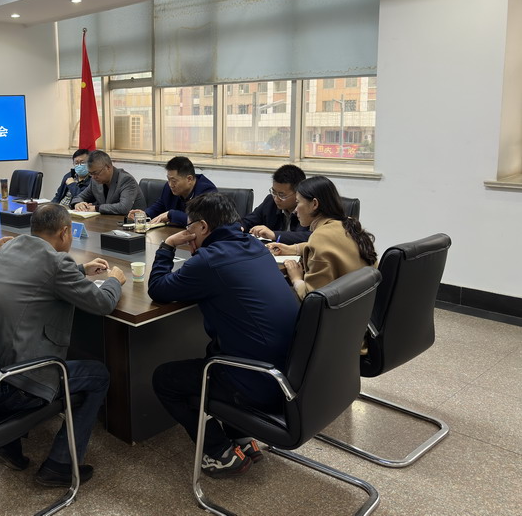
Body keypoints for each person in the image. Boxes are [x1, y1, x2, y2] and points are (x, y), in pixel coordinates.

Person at [0, 204, 126, 487]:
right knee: (98, 375)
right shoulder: (56, 264)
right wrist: (114, 281)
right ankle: (60, 465)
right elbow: (103, 303)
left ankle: (7, 444)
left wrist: (80, 270)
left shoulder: (11, 247)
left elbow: (39, 275)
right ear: (65, 232)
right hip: (15, 386)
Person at [148, 192, 299, 478]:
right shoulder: (255, 246)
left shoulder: (209, 261)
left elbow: (158, 289)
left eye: (190, 228)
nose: (188, 234)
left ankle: (219, 452)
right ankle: (242, 437)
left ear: (203, 227)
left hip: (257, 383)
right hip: (288, 374)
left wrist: (167, 246)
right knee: (217, 351)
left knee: (165, 379)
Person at [268, 175, 376, 301]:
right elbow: (330, 245)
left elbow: (311, 296)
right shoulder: (347, 224)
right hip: (359, 304)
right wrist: (292, 249)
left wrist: (296, 278)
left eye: (298, 202)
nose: (295, 210)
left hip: (334, 308)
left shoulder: (320, 237)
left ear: (314, 204)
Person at [128, 156, 217, 226]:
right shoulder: (169, 187)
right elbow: (160, 205)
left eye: (174, 181)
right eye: (168, 179)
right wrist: (145, 214)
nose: (170, 184)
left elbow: (200, 220)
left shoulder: (207, 192)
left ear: (189, 179)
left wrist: (171, 214)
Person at [243, 164, 311, 244]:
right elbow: (248, 221)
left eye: (282, 195)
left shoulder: (308, 208)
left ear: (298, 193)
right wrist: (240, 227)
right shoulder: (270, 201)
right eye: (274, 192)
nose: (276, 198)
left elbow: (310, 236)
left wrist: (274, 235)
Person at [70, 150, 145, 216]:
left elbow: (124, 207)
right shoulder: (95, 181)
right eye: (90, 173)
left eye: (96, 173)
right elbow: (79, 197)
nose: (93, 177)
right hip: (106, 221)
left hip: (131, 222)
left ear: (108, 167)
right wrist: (78, 204)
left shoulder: (126, 180)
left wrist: (96, 208)